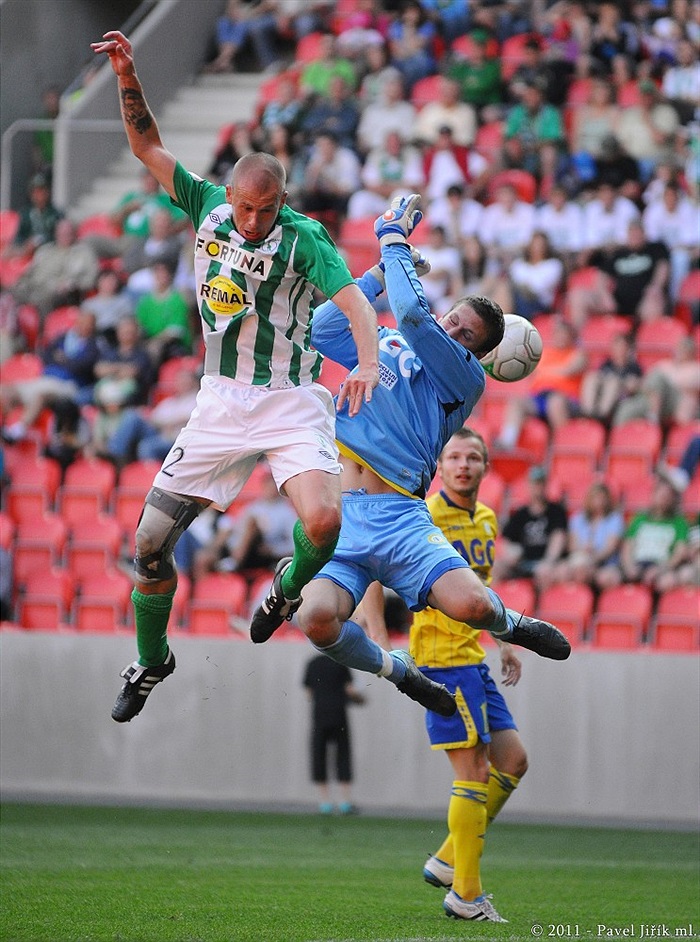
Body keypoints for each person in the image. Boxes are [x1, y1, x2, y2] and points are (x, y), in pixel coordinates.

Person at [91, 30, 379, 724]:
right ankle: (152, 659)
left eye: (265, 208)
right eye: (244, 207)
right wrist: (129, 75)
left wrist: (367, 360)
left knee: (325, 520)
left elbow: (354, 303)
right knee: (148, 546)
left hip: (292, 399)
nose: (251, 221)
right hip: (221, 402)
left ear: (282, 200)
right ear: (230, 195)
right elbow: (145, 146)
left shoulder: (305, 238)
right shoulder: (206, 208)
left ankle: (284, 588)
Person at [253, 193, 570, 714]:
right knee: (316, 620)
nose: (453, 329)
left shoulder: (462, 378)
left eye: (466, 333)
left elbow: (414, 316)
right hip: (340, 510)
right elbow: (325, 327)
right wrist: (378, 273)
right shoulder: (388, 345)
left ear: (479, 353)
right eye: (454, 319)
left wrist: (393, 237)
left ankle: (511, 624)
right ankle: (398, 671)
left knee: (469, 605)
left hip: (400, 516)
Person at [303, 653, 366, 815]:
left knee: (319, 755)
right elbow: (350, 690)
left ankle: (325, 803)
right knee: (343, 755)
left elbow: (308, 693)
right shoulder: (341, 662)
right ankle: (345, 802)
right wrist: (360, 698)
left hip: (320, 716)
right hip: (339, 715)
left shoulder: (313, 663)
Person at [490, 465, 569, 591]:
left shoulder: (556, 511)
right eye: (535, 484)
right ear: (529, 486)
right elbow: (507, 540)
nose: (538, 488)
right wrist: (511, 553)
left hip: (546, 562)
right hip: (523, 562)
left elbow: (558, 538)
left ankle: (541, 607)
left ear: (545, 485)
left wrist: (549, 561)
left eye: (540, 484)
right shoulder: (520, 514)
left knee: (545, 572)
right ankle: (495, 606)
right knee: (495, 567)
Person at [551, 481, 625, 588]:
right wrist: (583, 551)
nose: (599, 501)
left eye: (602, 497)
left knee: (586, 571)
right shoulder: (577, 519)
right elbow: (572, 546)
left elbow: (610, 548)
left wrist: (592, 559)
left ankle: (584, 601)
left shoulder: (614, 519)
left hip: (604, 563)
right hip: (579, 559)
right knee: (561, 571)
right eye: (596, 497)